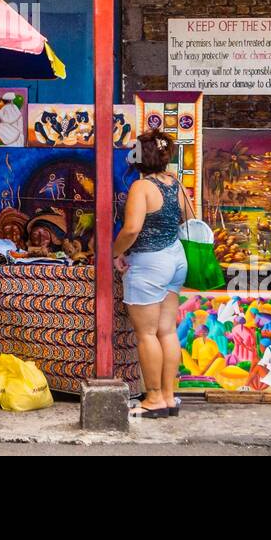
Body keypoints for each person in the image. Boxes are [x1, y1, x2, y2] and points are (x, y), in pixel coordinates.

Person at [113, 131, 190, 419]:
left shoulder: (141, 187)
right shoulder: (175, 183)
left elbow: (131, 229)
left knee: (146, 334)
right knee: (166, 330)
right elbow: (184, 218)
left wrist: (112, 253)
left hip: (149, 263)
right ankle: (169, 397)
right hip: (175, 257)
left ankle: (154, 397)